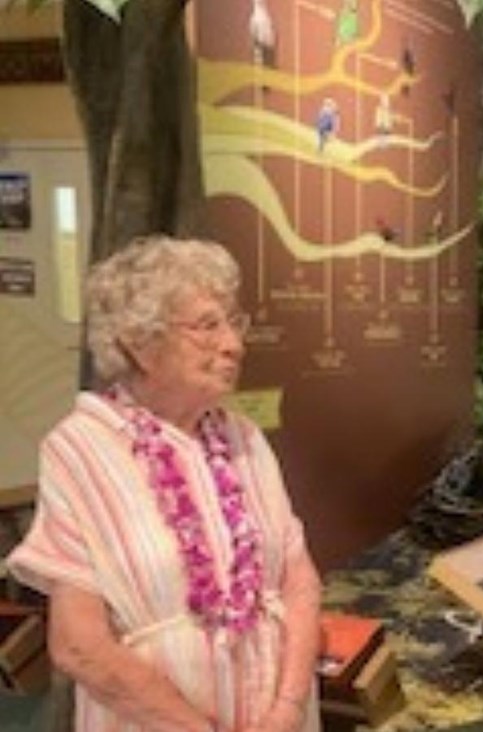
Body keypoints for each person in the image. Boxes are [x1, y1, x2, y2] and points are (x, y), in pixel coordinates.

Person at [8, 236, 321, 732]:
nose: (234, 344)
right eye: (207, 326)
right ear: (140, 343)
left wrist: (287, 707)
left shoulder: (245, 440)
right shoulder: (81, 450)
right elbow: (77, 644)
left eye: (233, 322)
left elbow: (299, 582)